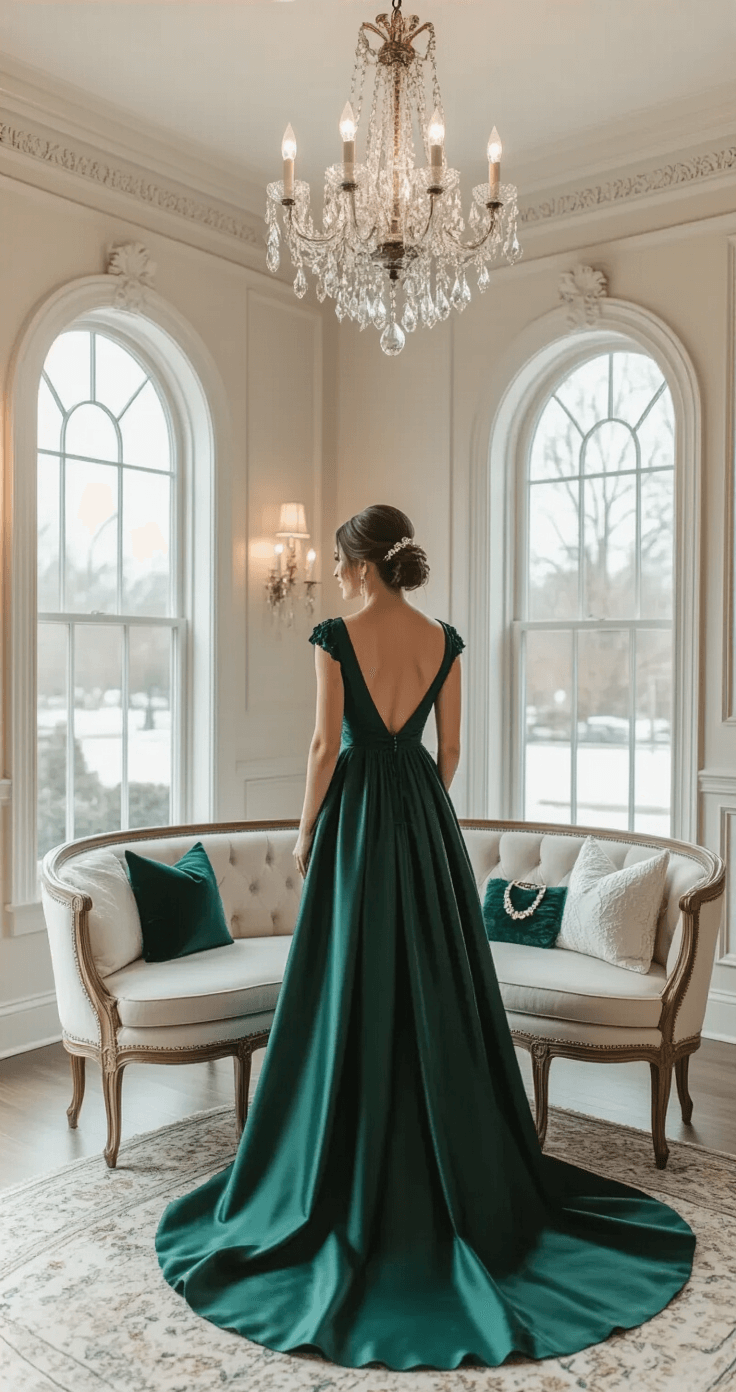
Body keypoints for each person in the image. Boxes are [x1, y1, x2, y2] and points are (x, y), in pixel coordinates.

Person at [156, 504, 695, 1371]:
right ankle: (459, 1155)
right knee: (438, 981)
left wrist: (307, 830)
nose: (335, 577)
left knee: (348, 980)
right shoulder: (445, 637)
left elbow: (324, 741)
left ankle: (336, 1160)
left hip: (358, 822)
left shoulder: (337, 634)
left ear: (362, 564)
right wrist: (415, 797)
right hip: (424, 820)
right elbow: (450, 753)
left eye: (340, 562)